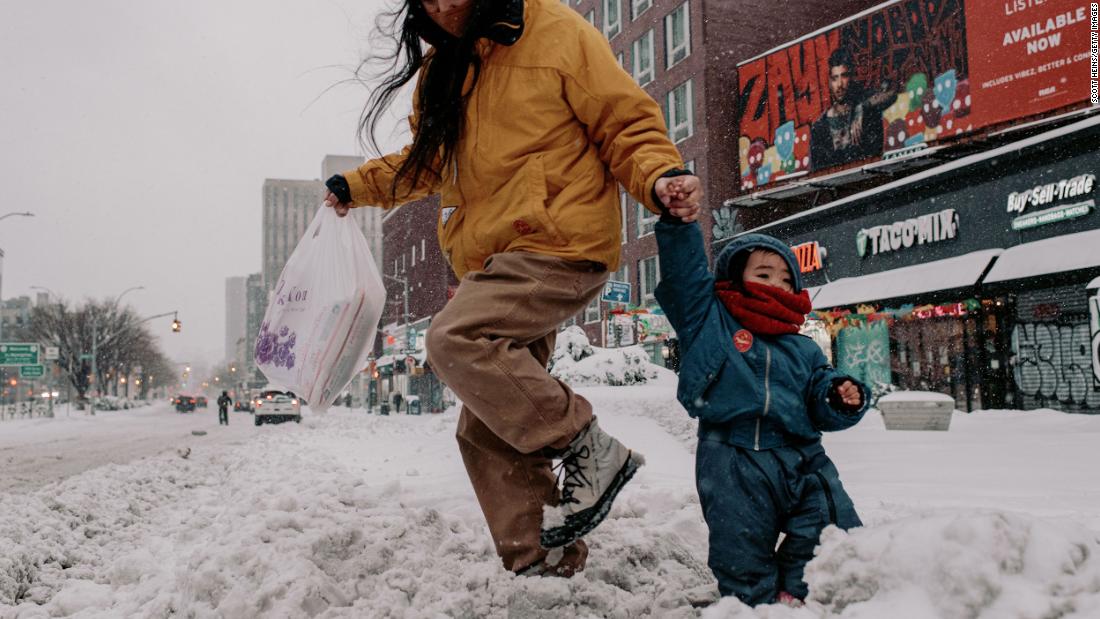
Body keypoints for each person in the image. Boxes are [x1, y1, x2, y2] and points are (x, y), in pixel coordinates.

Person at [323, 0, 702, 577]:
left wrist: (660, 175)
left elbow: (623, 121)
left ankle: (585, 443)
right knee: (488, 424)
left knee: (457, 338)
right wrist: (356, 185)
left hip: (558, 240)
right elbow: (427, 163)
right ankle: (544, 564)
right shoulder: (440, 72)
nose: (444, 4)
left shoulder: (555, 31)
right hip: (496, 261)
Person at [653, 194, 868, 607]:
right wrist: (679, 225)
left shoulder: (803, 348)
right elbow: (684, 274)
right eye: (765, 274)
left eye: (787, 280)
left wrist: (839, 397)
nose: (778, 286)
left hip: (801, 457)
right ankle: (755, 607)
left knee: (833, 531)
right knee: (741, 552)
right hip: (732, 460)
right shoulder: (708, 320)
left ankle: (796, 593)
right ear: (736, 278)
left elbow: (819, 398)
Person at [809, 47, 894, 171]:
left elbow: (892, 91)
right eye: (834, 78)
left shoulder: (866, 113)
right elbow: (818, 172)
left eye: (844, 76)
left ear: (852, 77)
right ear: (829, 81)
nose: (839, 85)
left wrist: (862, 107)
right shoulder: (820, 127)